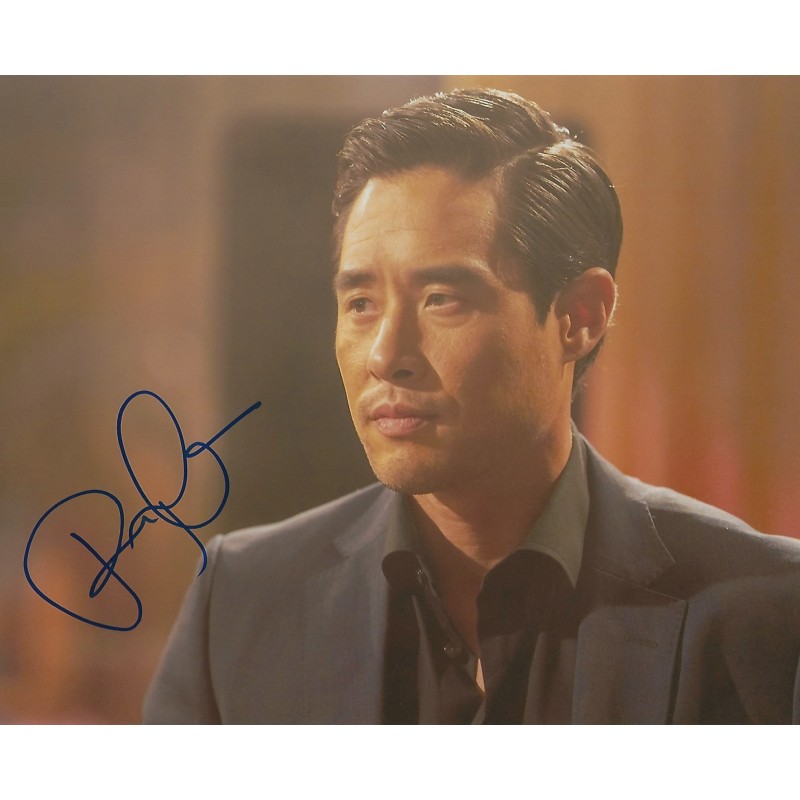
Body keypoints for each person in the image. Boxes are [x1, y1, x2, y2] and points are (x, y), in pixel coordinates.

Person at [143, 88, 800, 724]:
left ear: (580, 316)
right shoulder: (241, 602)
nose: (385, 355)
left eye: (442, 300)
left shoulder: (761, 614)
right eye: (361, 303)